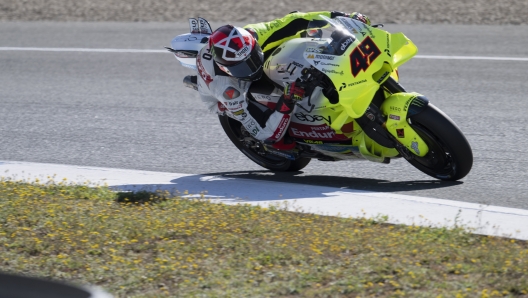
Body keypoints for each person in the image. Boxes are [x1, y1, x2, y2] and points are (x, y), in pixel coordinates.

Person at [196, 11, 371, 150]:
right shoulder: (226, 89)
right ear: (226, 68)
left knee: (303, 35)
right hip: (234, 91)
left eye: (253, 57)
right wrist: (287, 101)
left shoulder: (254, 33)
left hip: (259, 60)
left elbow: (295, 20)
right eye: (244, 67)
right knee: (278, 141)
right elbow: (264, 132)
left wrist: (343, 17)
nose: (253, 68)